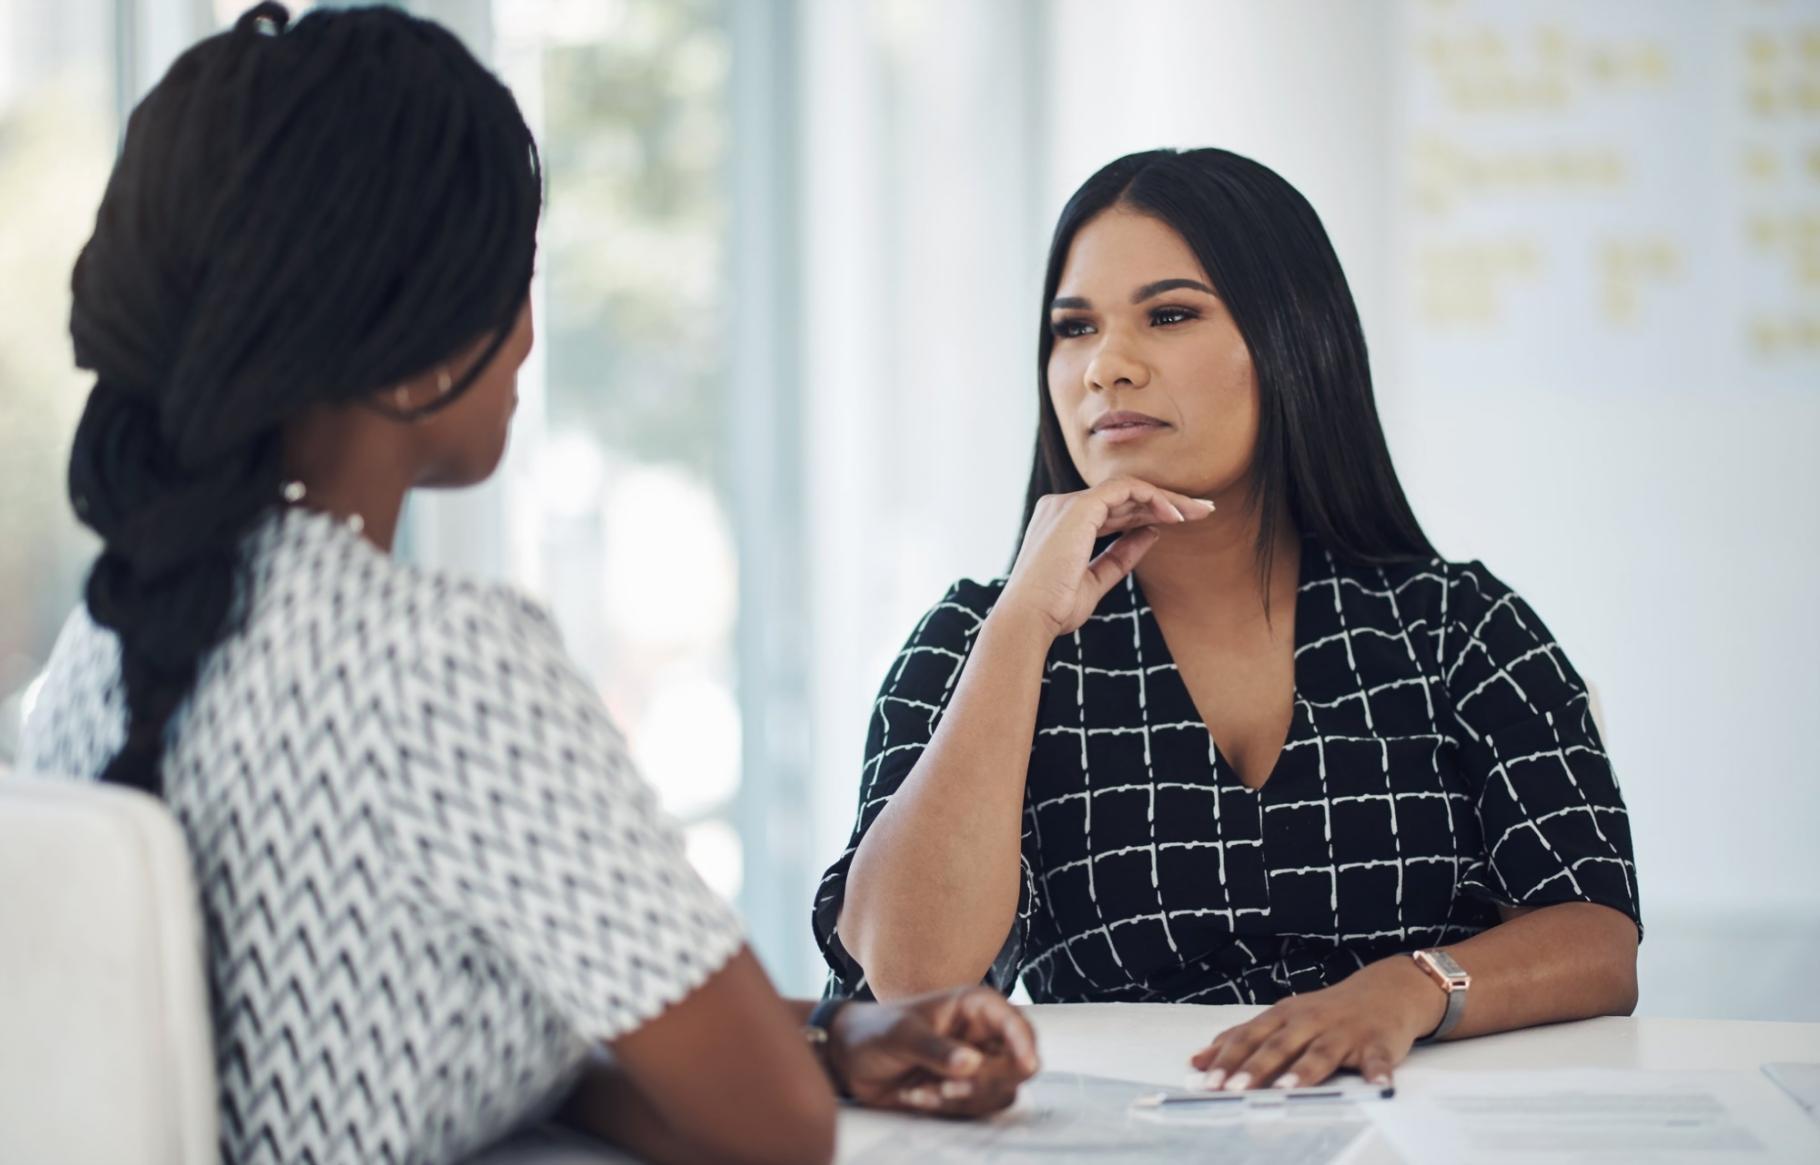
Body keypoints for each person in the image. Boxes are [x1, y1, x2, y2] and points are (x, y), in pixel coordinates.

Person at [17, 7, 1035, 1165]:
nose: (528, 337)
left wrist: (816, 1035)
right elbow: (775, 1129)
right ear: (431, 335)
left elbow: (385, 1048)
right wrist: (789, 1053)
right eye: (520, 273)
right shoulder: (439, 663)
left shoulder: (97, 655)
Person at [818, 147, 1641, 1093]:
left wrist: (1408, 990)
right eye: (1073, 329)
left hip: (1415, 1125)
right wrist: (1018, 628)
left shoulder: (1458, 626)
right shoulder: (976, 640)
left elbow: (1598, 934)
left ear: (1291, 338)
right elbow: (910, 980)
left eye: (1169, 316)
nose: (1106, 368)